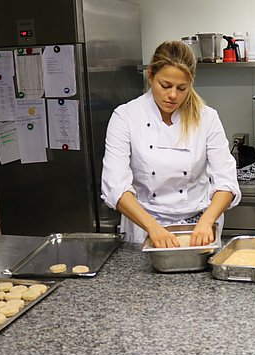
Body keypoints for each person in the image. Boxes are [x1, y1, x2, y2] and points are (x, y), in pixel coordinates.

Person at [101, 40, 241, 247]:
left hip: (198, 228)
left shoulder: (207, 117)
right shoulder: (126, 117)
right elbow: (115, 186)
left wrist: (207, 221)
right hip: (144, 228)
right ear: (150, 76)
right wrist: (153, 228)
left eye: (182, 88)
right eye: (165, 86)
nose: (173, 95)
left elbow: (226, 181)